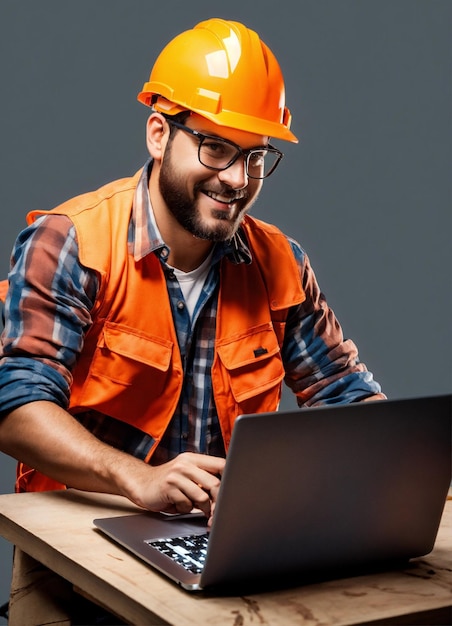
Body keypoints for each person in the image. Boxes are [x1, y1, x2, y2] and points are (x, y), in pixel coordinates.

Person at [0, 18, 385, 524]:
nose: (235, 179)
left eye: (254, 157)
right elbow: (15, 407)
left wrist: (403, 458)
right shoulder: (74, 242)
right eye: (216, 147)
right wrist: (137, 477)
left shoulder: (280, 263)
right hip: (79, 553)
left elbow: (341, 391)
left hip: (221, 540)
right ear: (159, 134)